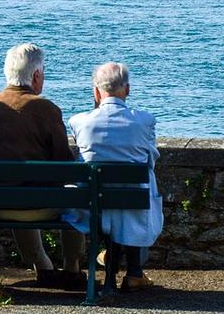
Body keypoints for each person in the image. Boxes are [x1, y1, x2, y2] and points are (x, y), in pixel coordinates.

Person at [0, 43, 85, 289]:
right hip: (40, 206)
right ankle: (72, 267)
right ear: (35, 76)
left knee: (15, 187)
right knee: (75, 194)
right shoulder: (46, 109)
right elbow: (64, 163)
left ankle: (43, 266)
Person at [65, 62, 163, 293]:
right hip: (133, 203)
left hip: (93, 205)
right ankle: (134, 273)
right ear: (127, 90)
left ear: (96, 92)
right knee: (135, 194)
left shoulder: (79, 121)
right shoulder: (144, 121)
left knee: (110, 204)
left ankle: (113, 275)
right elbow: (151, 160)